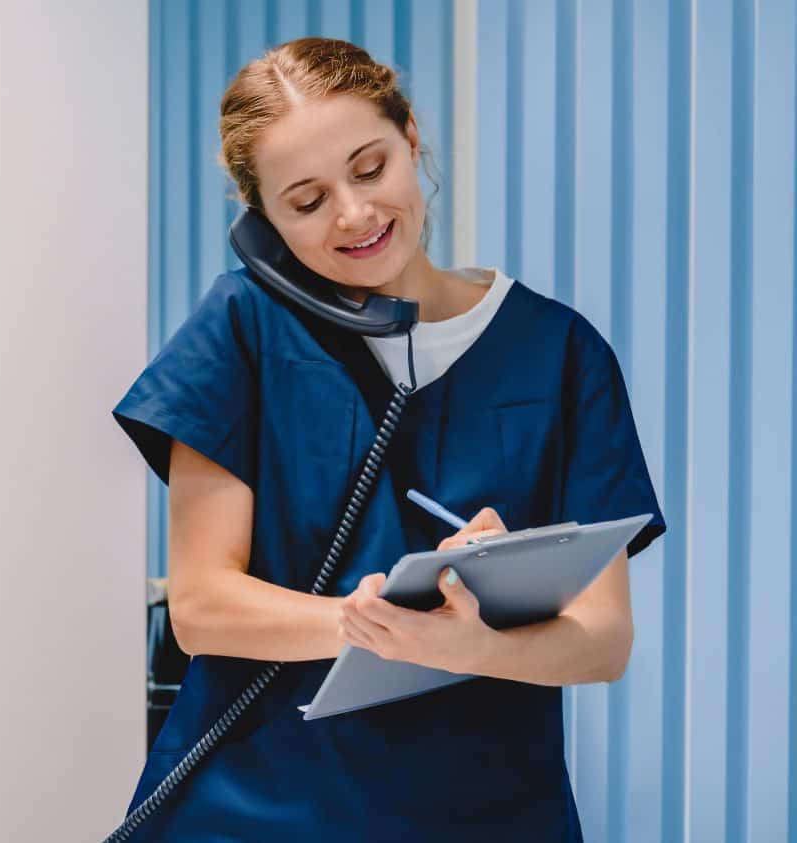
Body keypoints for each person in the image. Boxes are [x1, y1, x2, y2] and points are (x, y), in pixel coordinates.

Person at [111, 37, 666, 840]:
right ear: (262, 225)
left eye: (370, 168)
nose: (355, 214)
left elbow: (603, 639)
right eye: (305, 202)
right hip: (256, 809)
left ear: (411, 137)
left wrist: (470, 640)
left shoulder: (559, 350)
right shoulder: (241, 328)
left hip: (487, 810)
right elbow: (201, 604)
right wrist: (372, 621)